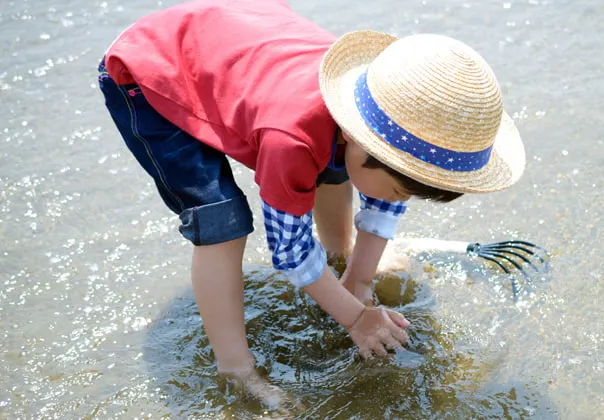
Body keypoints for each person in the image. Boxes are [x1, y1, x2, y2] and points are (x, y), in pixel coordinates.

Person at [97, 0, 525, 405]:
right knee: (221, 220)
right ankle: (235, 368)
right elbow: (289, 249)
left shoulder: (384, 112)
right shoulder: (293, 140)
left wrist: (358, 278)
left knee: (337, 166)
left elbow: (384, 196)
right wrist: (355, 318)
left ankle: (339, 255)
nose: (401, 200)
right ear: (368, 144)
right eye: (401, 191)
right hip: (153, 72)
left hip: (240, 43)